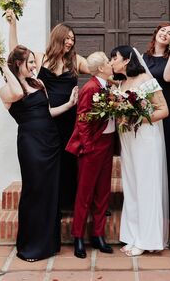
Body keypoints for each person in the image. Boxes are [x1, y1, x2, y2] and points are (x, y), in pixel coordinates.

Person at [0, 45, 78, 261]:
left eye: (34, 61)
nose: (34, 66)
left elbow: (47, 111)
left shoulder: (39, 83)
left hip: (51, 141)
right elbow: (18, 93)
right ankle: (30, 246)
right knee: (34, 189)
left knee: (51, 190)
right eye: (30, 62)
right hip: (30, 143)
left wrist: (68, 105)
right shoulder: (6, 90)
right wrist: (4, 66)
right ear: (18, 64)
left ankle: (49, 244)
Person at [6, 9, 89, 210]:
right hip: (48, 118)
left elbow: (97, 68)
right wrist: (13, 25)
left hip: (69, 117)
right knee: (50, 162)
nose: (70, 42)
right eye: (67, 38)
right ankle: (51, 204)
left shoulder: (76, 61)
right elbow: (16, 52)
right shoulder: (40, 58)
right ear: (57, 38)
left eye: (72, 39)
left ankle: (67, 202)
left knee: (68, 159)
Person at [110, 45, 169, 256]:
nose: (111, 62)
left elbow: (163, 110)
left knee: (146, 186)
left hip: (145, 138)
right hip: (128, 139)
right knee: (132, 186)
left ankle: (147, 239)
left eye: (114, 58)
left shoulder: (146, 80)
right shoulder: (122, 83)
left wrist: (136, 118)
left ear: (126, 60)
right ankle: (133, 234)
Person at [66, 52, 115, 258]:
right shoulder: (90, 88)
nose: (111, 64)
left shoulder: (109, 87)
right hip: (92, 146)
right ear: (101, 69)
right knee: (85, 193)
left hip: (108, 143)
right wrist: (87, 147)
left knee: (103, 192)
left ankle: (98, 235)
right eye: (108, 62)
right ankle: (78, 237)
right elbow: (83, 120)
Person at [143, 22, 170, 219]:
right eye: (162, 31)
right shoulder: (144, 58)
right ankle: (154, 198)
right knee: (153, 151)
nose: (165, 34)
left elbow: (168, 77)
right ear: (156, 33)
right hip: (151, 109)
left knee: (168, 150)